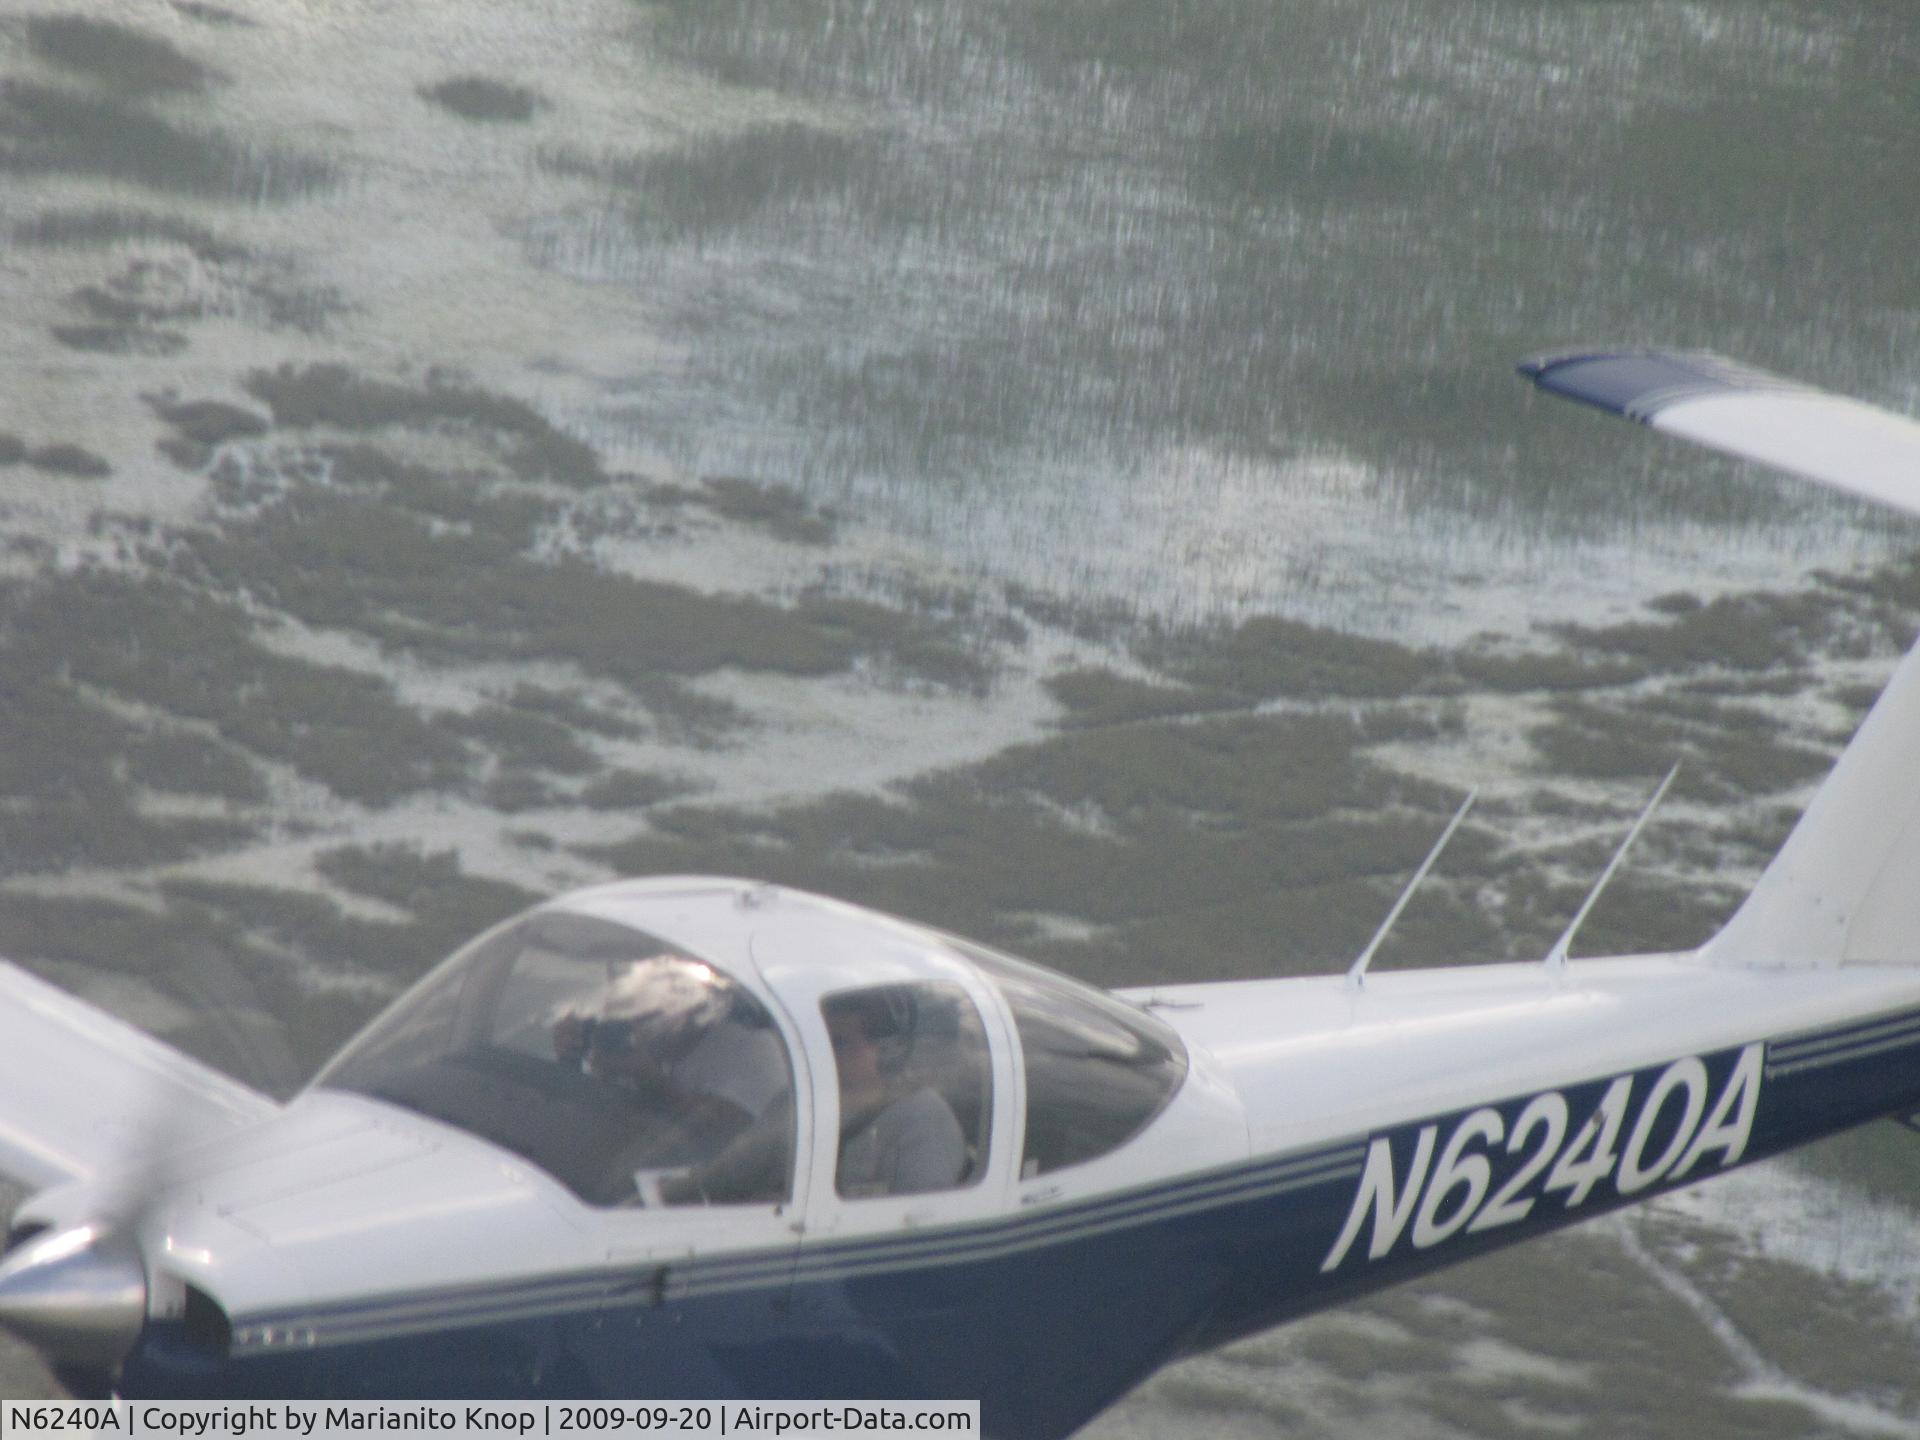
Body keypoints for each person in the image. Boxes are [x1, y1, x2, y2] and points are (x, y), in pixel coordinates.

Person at [825, 991, 967, 1198]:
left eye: (839, 1044)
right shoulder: (801, 1102)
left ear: (885, 1050)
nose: (826, 1053)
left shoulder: (922, 1118)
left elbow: (920, 1214)